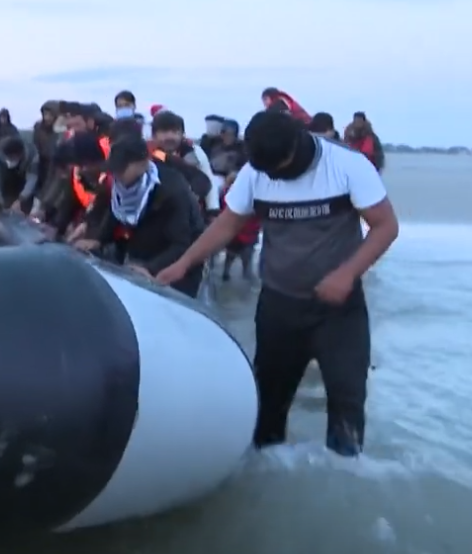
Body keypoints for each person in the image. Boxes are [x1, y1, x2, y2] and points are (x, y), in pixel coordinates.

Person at [156, 111, 400, 456]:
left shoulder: (347, 165)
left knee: (347, 411)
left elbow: (386, 226)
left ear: (297, 145)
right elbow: (227, 224)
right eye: (266, 171)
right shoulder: (256, 171)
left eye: (279, 170)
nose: (273, 177)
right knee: (266, 414)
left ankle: (343, 480)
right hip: (279, 308)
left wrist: (347, 274)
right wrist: (183, 264)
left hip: (338, 313)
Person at [72, 136, 201, 297]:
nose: (116, 175)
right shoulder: (121, 184)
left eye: (121, 169)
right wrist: (98, 239)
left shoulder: (171, 191)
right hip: (144, 253)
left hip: (179, 264)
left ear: (142, 164)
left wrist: (150, 268)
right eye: (113, 169)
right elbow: (117, 210)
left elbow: (181, 243)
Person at [0, 137, 41, 213]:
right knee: (4, 208)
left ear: (20, 154)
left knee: (24, 208)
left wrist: (21, 199)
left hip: (24, 179)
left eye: (12, 158)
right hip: (7, 181)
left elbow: (32, 179)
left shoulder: (33, 155)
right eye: (8, 158)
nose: (10, 160)